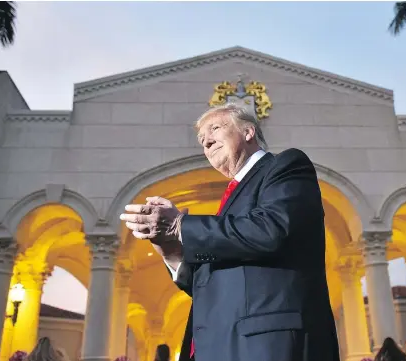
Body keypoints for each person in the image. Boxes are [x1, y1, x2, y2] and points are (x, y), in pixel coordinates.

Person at [121, 103, 339, 361]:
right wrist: (170, 248)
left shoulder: (285, 167)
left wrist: (180, 226)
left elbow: (271, 230)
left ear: (248, 132)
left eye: (214, 128)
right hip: (219, 346)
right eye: (201, 139)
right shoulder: (230, 202)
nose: (206, 142)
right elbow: (209, 283)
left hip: (268, 345)